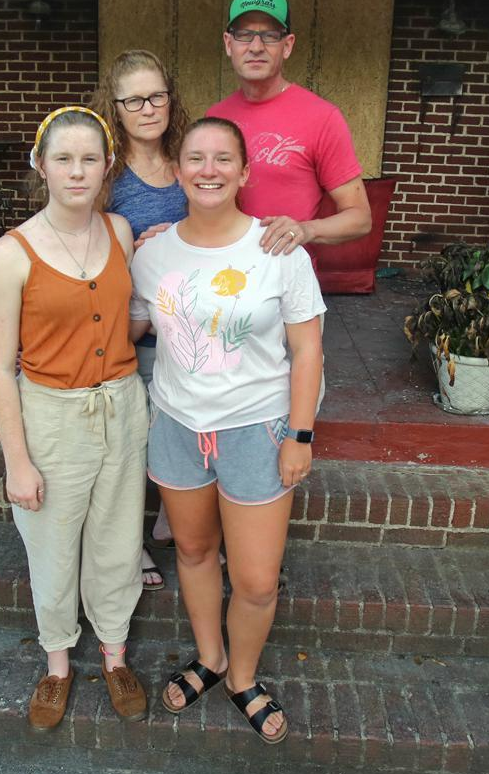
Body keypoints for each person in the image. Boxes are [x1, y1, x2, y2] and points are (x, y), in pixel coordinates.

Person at [129, 116, 325, 744]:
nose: (207, 169)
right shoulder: (153, 253)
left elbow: (309, 349)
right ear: (178, 170)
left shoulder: (277, 250)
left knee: (257, 579)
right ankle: (210, 656)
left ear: (244, 173)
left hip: (256, 431)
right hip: (180, 426)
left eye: (222, 159)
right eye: (195, 158)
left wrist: (300, 434)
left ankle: (242, 675)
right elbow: (133, 328)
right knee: (191, 552)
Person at [0, 106, 150, 732]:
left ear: (108, 166)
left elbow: (129, 316)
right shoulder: (10, 254)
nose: (77, 171)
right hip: (52, 415)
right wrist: (17, 463)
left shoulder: (123, 232)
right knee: (51, 545)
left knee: (117, 538)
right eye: (63, 158)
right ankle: (57, 664)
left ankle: (114, 653)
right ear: (41, 166)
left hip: (125, 407)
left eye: (89, 158)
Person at [90, 49, 191, 592]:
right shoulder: (107, 171)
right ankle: (132, 551)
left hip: (192, 333)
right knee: (131, 447)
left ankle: (173, 521)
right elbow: (84, 249)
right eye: (134, 100)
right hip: (134, 332)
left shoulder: (188, 158)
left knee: (183, 436)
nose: (148, 108)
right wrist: (133, 249)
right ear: (116, 107)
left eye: (157, 96)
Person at [208, 0, 372, 257]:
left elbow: (360, 218)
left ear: (287, 46)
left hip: (286, 283)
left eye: (270, 35)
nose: (256, 47)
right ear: (229, 44)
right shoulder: (215, 117)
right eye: (244, 35)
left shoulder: (322, 118)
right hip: (223, 278)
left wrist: (306, 230)